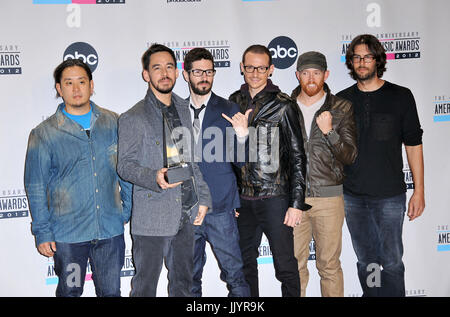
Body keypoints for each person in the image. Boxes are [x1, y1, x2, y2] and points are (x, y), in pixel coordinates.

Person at [24, 59, 132, 297]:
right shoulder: (44, 134)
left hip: (109, 234)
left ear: (91, 85)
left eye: (81, 82)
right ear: (59, 89)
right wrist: (42, 232)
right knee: (70, 292)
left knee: (111, 293)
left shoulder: (114, 123)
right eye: (69, 83)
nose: (76, 89)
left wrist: (126, 211)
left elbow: (126, 171)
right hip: (69, 237)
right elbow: (36, 186)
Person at [117, 44, 212, 297]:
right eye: (157, 68)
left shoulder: (184, 108)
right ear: (146, 74)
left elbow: (193, 161)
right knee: (144, 288)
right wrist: (154, 177)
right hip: (151, 217)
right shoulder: (132, 117)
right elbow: (124, 166)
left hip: (185, 214)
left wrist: (203, 198)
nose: (164, 73)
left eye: (169, 66)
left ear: (177, 71)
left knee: (184, 287)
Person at [337, 34, 425, 297]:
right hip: (353, 196)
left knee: (392, 262)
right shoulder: (341, 100)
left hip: (390, 195)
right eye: (356, 57)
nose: (362, 62)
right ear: (351, 62)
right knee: (368, 262)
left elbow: (413, 144)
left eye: (367, 56)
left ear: (377, 60)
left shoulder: (401, 96)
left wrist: (419, 190)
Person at [229, 44, 310, 297]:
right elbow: (228, 155)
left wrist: (296, 203)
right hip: (242, 201)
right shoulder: (232, 103)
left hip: (275, 197)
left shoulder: (284, 105)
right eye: (250, 67)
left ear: (271, 69)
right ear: (242, 68)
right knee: (244, 266)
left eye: (261, 68)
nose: (255, 73)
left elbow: (298, 156)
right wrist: (230, 197)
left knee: (285, 266)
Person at [182, 47, 250, 297]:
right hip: (186, 209)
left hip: (221, 208)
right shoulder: (175, 111)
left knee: (235, 275)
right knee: (189, 278)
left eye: (209, 71)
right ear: (186, 74)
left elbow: (241, 163)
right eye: (198, 72)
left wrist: (243, 137)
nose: (204, 77)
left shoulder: (229, 109)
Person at [290, 51, 357, 297]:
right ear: (297, 75)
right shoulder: (286, 107)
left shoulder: (341, 107)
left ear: (326, 75)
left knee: (329, 266)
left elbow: (349, 156)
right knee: (294, 266)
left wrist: (329, 132)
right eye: (305, 73)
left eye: (316, 73)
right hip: (294, 199)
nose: (310, 78)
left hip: (329, 199)